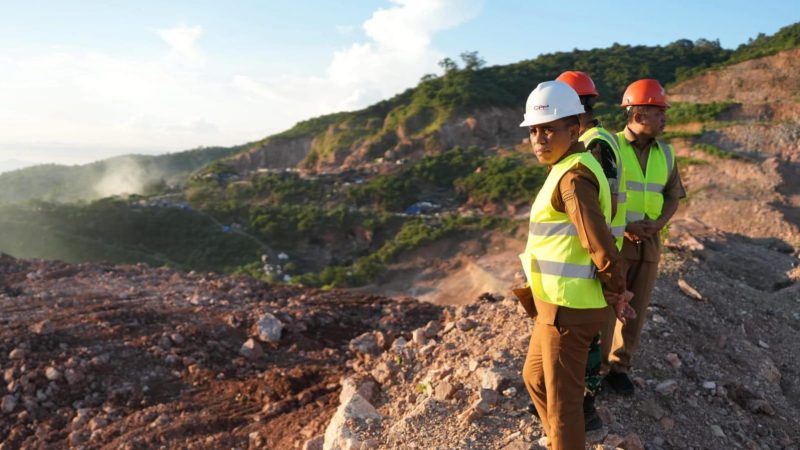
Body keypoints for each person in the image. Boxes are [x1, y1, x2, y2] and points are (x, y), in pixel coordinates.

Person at [518, 80, 634, 449]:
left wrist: (618, 291)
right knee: (535, 379)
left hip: (571, 309)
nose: (539, 139)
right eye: (534, 130)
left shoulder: (573, 176)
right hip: (554, 306)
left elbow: (598, 243)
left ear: (574, 129)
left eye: (549, 129)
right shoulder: (566, 165)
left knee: (565, 406)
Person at [600, 79, 686, 396]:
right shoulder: (611, 148)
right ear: (638, 113)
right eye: (658, 111)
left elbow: (673, 197)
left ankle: (620, 368)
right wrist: (626, 226)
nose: (664, 117)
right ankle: (598, 370)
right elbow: (601, 197)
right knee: (609, 308)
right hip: (616, 242)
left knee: (637, 311)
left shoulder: (667, 153)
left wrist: (658, 224)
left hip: (649, 243)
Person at [555, 70, 627, 429]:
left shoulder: (593, 145)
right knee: (587, 335)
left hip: (591, 257)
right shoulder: (590, 140)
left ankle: (584, 407)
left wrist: (607, 270)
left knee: (587, 338)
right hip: (593, 254)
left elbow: (597, 209)